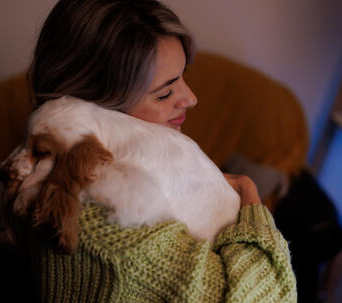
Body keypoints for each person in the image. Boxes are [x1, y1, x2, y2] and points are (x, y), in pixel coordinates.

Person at [20, 0, 297, 302]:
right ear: (94, 106)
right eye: (165, 93)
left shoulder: (75, 163)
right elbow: (274, 297)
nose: (191, 98)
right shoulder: (108, 227)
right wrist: (251, 198)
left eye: (182, 77)